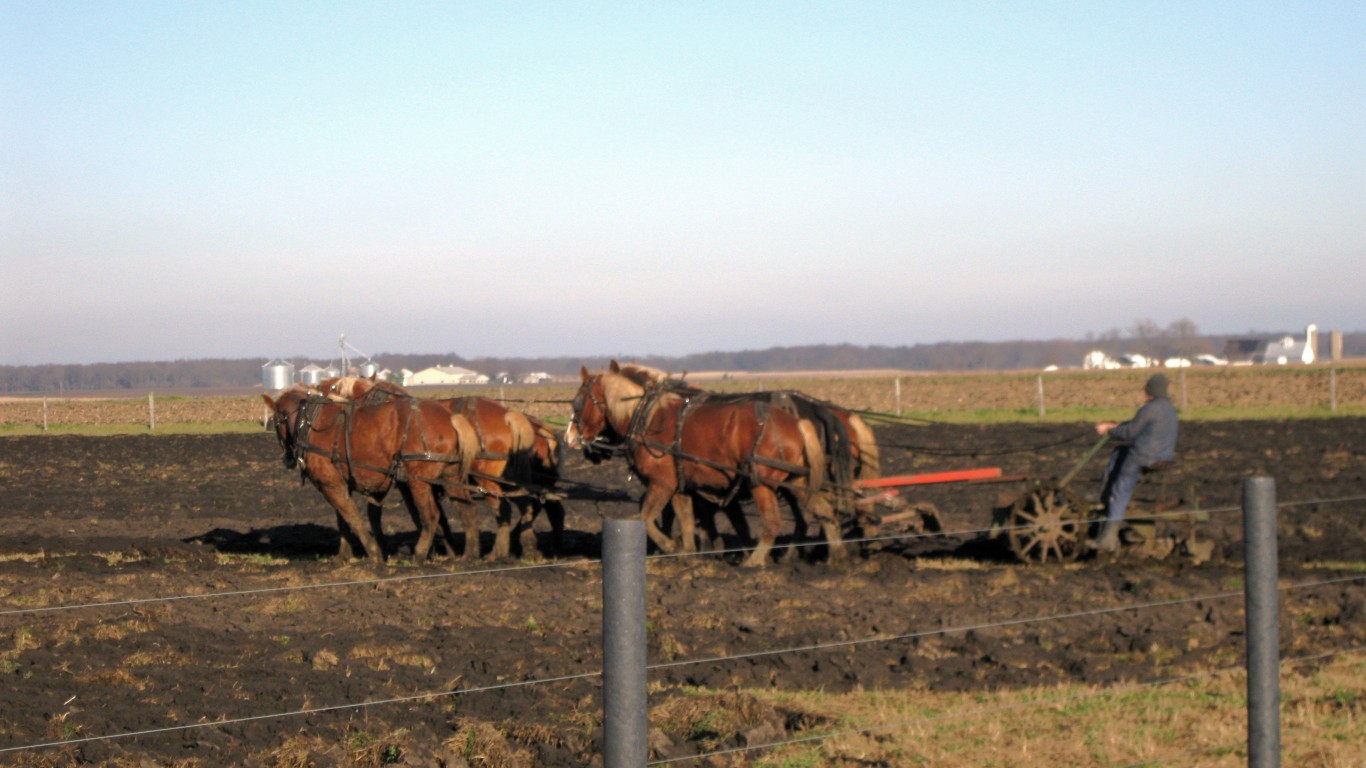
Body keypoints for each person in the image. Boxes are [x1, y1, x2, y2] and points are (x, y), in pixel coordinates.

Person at [1091, 372, 1179, 551]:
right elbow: (1135, 425)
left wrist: (1108, 431)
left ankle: (1107, 538)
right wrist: (1114, 425)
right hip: (1163, 456)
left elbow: (1130, 433)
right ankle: (1107, 493)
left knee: (1120, 489)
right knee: (1119, 452)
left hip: (1143, 457)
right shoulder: (1170, 409)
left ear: (1151, 391)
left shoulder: (1149, 408)